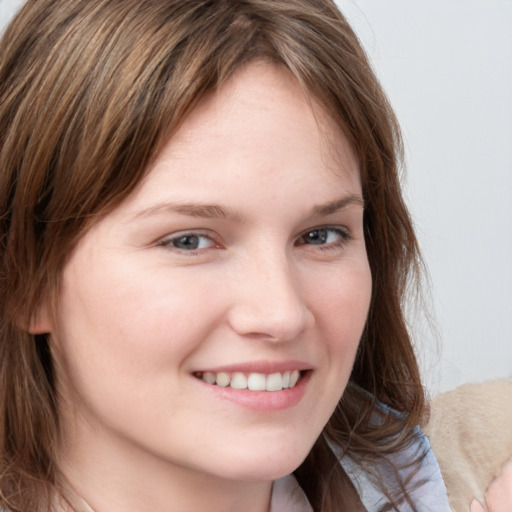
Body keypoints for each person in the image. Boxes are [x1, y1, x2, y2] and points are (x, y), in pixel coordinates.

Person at [0, 1, 450, 511]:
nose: (281, 314)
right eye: (188, 240)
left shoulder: (481, 476)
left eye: (321, 235)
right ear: (23, 278)